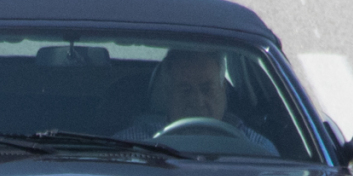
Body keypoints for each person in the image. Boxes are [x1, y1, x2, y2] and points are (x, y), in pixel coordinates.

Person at [115, 49, 277, 153]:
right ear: (168, 95)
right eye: (185, 90)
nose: (198, 101)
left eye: (207, 89)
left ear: (224, 91)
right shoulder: (130, 146)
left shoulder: (259, 150)